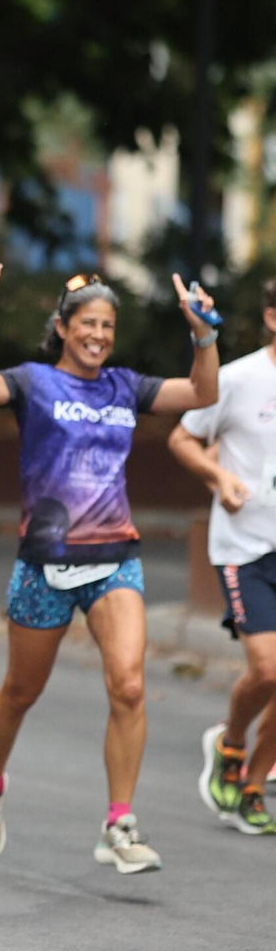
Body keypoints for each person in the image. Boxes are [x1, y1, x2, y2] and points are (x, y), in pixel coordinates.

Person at [0, 255, 220, 873]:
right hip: (44, 563)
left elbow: (203, 393)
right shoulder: (35, 383)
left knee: (128, 684)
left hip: (114, 558)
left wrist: (203, 333)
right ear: (65, 328)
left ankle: (118, 822)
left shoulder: (127, 387)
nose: (99, 336)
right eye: (89, 324)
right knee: (20, 693)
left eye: (108, 327)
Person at [170, 277, 276, 835]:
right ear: (272, 318)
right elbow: (183, 438)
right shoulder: (239, 380)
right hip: (245, 545)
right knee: (267, 669)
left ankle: (254, 785)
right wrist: (220, 477)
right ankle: (232, 744)